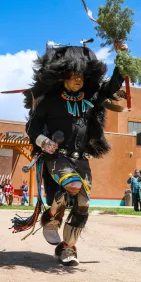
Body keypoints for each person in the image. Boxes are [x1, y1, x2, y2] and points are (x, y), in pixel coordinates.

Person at [11, 41, 127, 266]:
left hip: (81, 159)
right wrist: (44, 142)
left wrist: (122, 56)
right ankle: (52, 220)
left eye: (81, 75)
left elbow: (113, 84)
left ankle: (68, 248)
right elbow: (31, 128)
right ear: (63, 76)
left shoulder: (91, 97)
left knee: (83, 203)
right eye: (73, 75)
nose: (78, 79)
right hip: (57, 156)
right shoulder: (49, 101)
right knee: (72, 185)